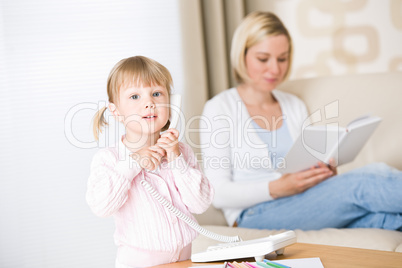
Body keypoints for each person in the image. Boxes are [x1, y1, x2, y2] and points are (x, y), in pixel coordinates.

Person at [200, 11, 402, 231]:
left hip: (305, 201)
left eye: (282, 58)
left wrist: (320, 173)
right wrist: (277, 187)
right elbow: (217, 193)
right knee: (365, 182)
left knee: (384, 220)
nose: (275, 69)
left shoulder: (293, 104)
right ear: (242, 55)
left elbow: (307, 160)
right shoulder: (219, 108)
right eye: (263, 59)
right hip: (254, 214)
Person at [86, 56, 214, 268]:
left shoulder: (180, 151)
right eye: (135, 96)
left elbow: (200, 203)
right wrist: (132, 163)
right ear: (116, 111)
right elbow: (101, 206)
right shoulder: (110, 159)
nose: (149, 103)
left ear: (171, 103)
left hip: (184, 260)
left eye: (156, 94)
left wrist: (176, 159)